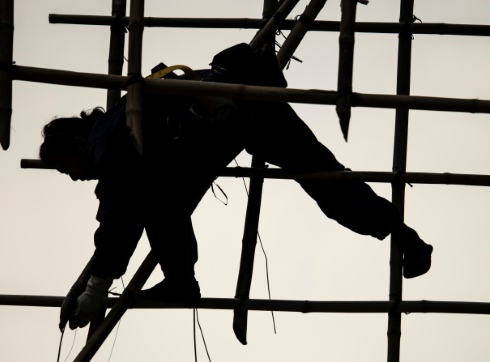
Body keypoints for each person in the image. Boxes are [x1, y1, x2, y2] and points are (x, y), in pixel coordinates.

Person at [40, 44, 433, 331]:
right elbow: (120, 215)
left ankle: (180, 283)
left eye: (65, 167)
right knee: (324, 176)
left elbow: (119, 215)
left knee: (157, 200)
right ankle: (405, 237)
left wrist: (97, 288)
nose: (73, 176)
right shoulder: (118, 120)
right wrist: (90, 284)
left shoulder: (104, 141)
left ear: (76, 142)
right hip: (243, 100)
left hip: (219, 120)